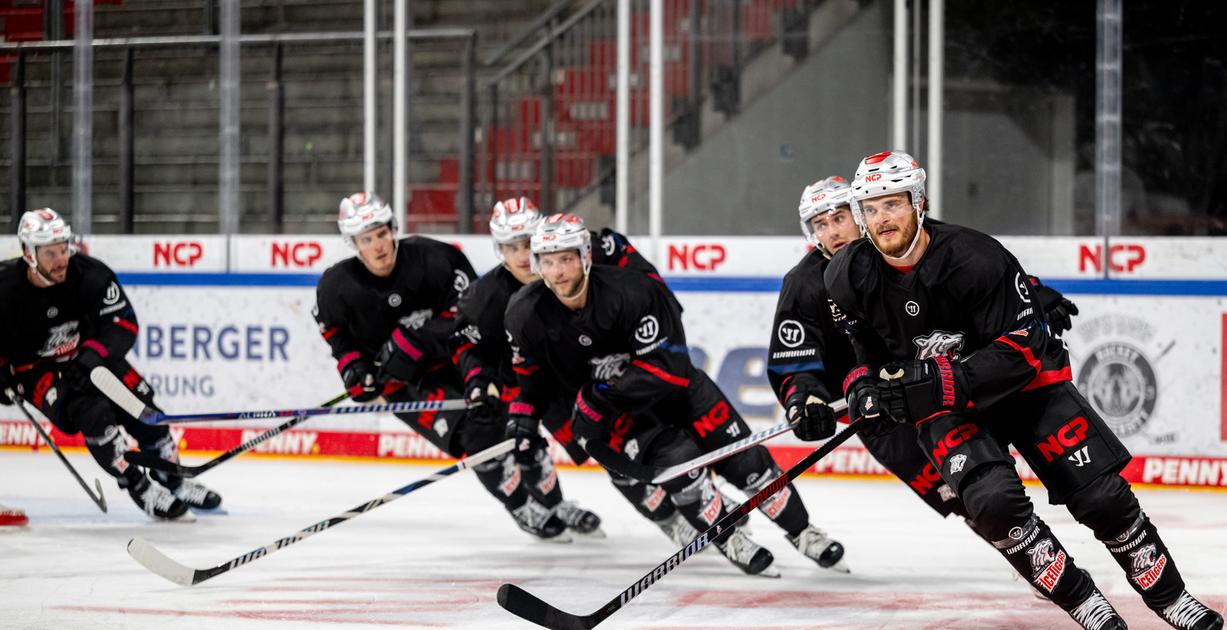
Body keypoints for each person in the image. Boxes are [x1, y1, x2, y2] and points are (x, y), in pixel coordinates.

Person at [817, 150, 1222, 630]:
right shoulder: (846, 275)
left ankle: (1171, 597)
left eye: (893, 204)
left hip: (1026, 387)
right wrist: (865, 384)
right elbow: (863, 347)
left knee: (1101, 497)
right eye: (872, 208)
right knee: (991, 505)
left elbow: (1025, 349)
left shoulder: (976, 256)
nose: (883, 218)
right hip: (949, 407)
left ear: (919, 202)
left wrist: (940, 380)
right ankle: (1082, 599)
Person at [505, 213, 848, 576]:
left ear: (586, 255)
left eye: (567, 258)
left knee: (749, 463)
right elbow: (531, 380)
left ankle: (803, 531)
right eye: (548, 260)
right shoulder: (524, 314)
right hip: (626, 416)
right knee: (682, 467)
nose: (558, 271)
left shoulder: (632, 291)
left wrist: (598, 396)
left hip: (681, 390)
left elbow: (667, 369)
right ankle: (727, 538)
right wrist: (523, 418)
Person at [770, 176, 1082, 522]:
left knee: (993, 477)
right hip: (875, 409)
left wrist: (1033, 291)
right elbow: (794, 361)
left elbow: (976, 264)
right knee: (971, 501)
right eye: (821, 224)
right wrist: (804, 401)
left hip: (933, 384)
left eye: (839, 218)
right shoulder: (803, 284)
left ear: (858, 216)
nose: (832, 232)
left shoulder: (906, 244)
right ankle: (1029, 551)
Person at [313, 192, 570, 541]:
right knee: (477, 438)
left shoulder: (437, 258)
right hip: (406, 385)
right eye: (366, 238)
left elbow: (467, 318)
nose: (378, 245)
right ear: (353, 242)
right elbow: (336, 333)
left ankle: (557, 504)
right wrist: (354, 368)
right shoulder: (335, 286)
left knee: (512, 422)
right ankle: (523, 507)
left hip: (456, 359)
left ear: (394, 228)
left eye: (382, 232)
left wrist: (417, 338)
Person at [455, 197, 690, 546]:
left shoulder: (583, 249)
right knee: (598, 452)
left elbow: (645, 281)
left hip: (609, 372)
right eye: (510, 246)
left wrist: (666, 323)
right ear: (497, 247)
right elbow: (470, 349)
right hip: (550, 388)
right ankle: (662, 518)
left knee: (660, 434)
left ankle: (699, 499)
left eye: (526, 242)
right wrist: (480, 383)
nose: (522, 255)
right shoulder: (484, 298)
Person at [0, 209, 221, 520]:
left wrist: (94, 354)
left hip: (91, 359)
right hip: (37, 371)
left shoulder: (89, 274)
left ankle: (174, 479)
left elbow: (123, 323)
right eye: (50, 252)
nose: (61, 258)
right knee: (94, 416)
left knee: (145, 411)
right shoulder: (4, 288)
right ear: (28, 253)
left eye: (64, 248)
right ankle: (139, 487)